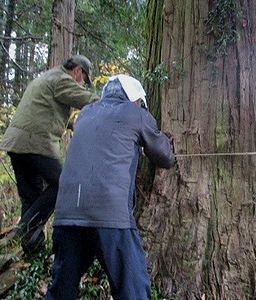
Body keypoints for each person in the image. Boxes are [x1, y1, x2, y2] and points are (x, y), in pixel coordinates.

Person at [45, 75, 175, 300]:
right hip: (110, 214)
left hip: (67, 215)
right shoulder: (135, 114)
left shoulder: (85, 114)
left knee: (61, 291)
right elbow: (164, 156)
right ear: (134, 100)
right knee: (132, 289)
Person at [0, 55, 99, 255]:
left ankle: (31, 252)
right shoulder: (63, 80)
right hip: (35, 142)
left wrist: (72, 124)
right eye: (83, 79)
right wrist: (112, 102)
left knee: (32, 198)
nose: (81, 83)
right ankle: (19, 234)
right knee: (62, 185)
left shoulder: (46, 77)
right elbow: (86, 99)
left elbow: (46, 110)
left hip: (17, 143)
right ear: (78, 70)